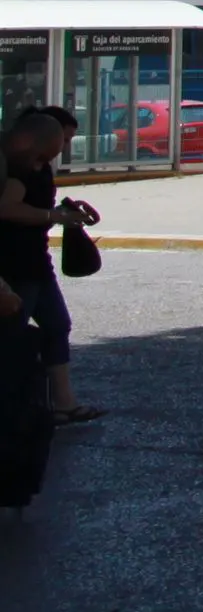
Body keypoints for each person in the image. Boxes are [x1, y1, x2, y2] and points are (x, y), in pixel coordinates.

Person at [0, 111, 99, 425]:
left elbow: (39, 205)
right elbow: (8, 209)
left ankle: (63, 403)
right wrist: (53, 217)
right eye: (63, 139)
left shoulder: (40, 168)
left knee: (57, 326)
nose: (65, 146)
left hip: (37, 262)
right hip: (16, 265)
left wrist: (65, 211)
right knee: (11, 336)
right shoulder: (19, 171)